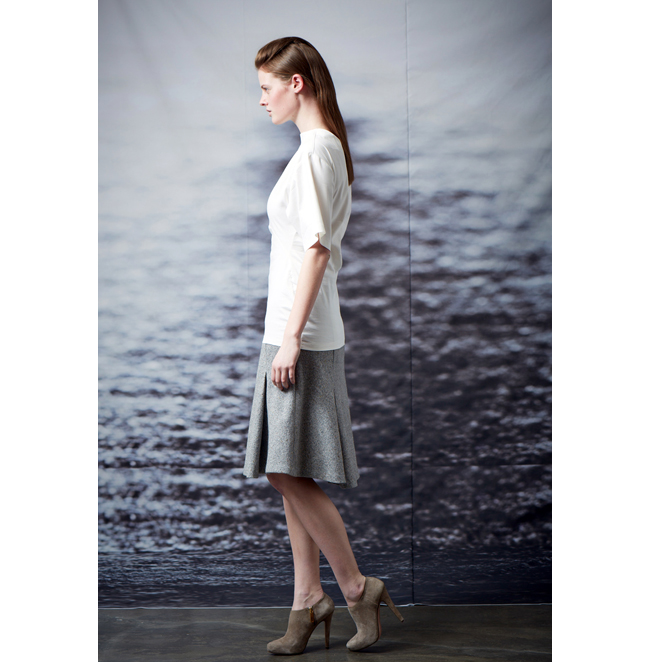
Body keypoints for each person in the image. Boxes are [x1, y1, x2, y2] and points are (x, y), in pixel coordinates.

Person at [242, 37, 404, 654]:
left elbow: (315, 252)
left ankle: (355, 586)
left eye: (266, 87)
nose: (262, 100)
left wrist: (288, 340)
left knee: (284, 470)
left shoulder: (316, 152)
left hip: (300, 335)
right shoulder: (322, 147)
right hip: (295, 330)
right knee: (291, 467)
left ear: (297, 84)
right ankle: (306, 599)